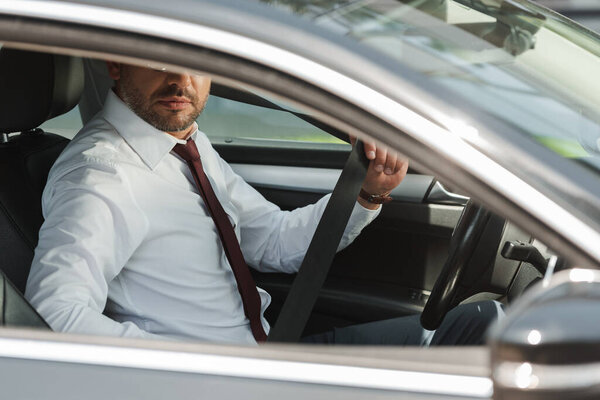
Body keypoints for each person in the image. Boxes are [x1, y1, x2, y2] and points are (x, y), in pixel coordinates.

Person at [25, 62, 501, 345]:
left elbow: (269, 239)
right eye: (158, 58)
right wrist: (187, 367)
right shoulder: (99, 174)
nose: (180, 79)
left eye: (196, 59)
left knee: (483, 327)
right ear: (115, 62)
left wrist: (366, 193)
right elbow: (55, 312)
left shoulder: (182, 142)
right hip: (224, 382)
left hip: (269, 353)